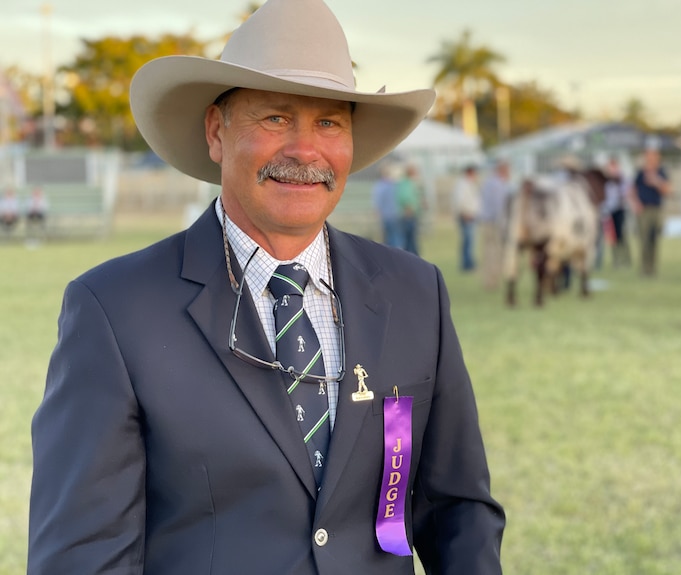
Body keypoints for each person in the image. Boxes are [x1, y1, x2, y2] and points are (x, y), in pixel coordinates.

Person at [28, 1, 505, 574]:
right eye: (276, 118)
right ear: (216, 132)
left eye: (329, 122)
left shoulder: (414, 292)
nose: (306, 150)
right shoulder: (114, 311)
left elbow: (457, 510)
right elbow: (84, 555)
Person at [629, 147, 671, 276]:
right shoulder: (641, 173)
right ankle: (644, 269)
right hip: (644, 210)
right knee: (644, 240)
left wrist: (656, 182)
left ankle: (652, 269)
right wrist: (636, 204)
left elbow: (668, 190)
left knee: (654, 240)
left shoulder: (661, 172)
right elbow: (632, 191)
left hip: (656, 209)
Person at [479, 159, 512, 290]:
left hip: (487, 221)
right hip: (495, 222)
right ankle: (493, 280)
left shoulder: (488, 182)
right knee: (495, 252)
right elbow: (499, 207)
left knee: (488, 252)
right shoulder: (499, 185)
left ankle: (489, 280)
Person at [601, 156, 631, 267]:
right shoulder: (606, 180)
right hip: (608, 211)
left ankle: (625, 259)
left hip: (619, 209)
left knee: (621, 235)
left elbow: (626, 192)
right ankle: (616, 260)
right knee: (612, 236)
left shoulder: (622, 179)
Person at [452, 164, 480, 271]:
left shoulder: (469, 183)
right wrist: (465, 213)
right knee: (468, 241)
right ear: (470, 172)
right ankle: (467, 264)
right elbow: (460, 201)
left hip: (472, 215)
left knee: (470, 241)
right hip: (466, 216)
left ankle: (469, 263)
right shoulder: (462, 184)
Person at [371, 160, 403, 248]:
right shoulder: (388, 185)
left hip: (393, 214)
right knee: (392, 238)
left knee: (392, 237)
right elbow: (377, 201)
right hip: (389, 215)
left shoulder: (389, 185)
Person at [396, 163, 422, 256]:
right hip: (408, 215)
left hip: (412, 214)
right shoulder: (406, 183)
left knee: (411, 239)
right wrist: (409, 210)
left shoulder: (409, 183)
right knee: (410, 240)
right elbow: (405, 198)